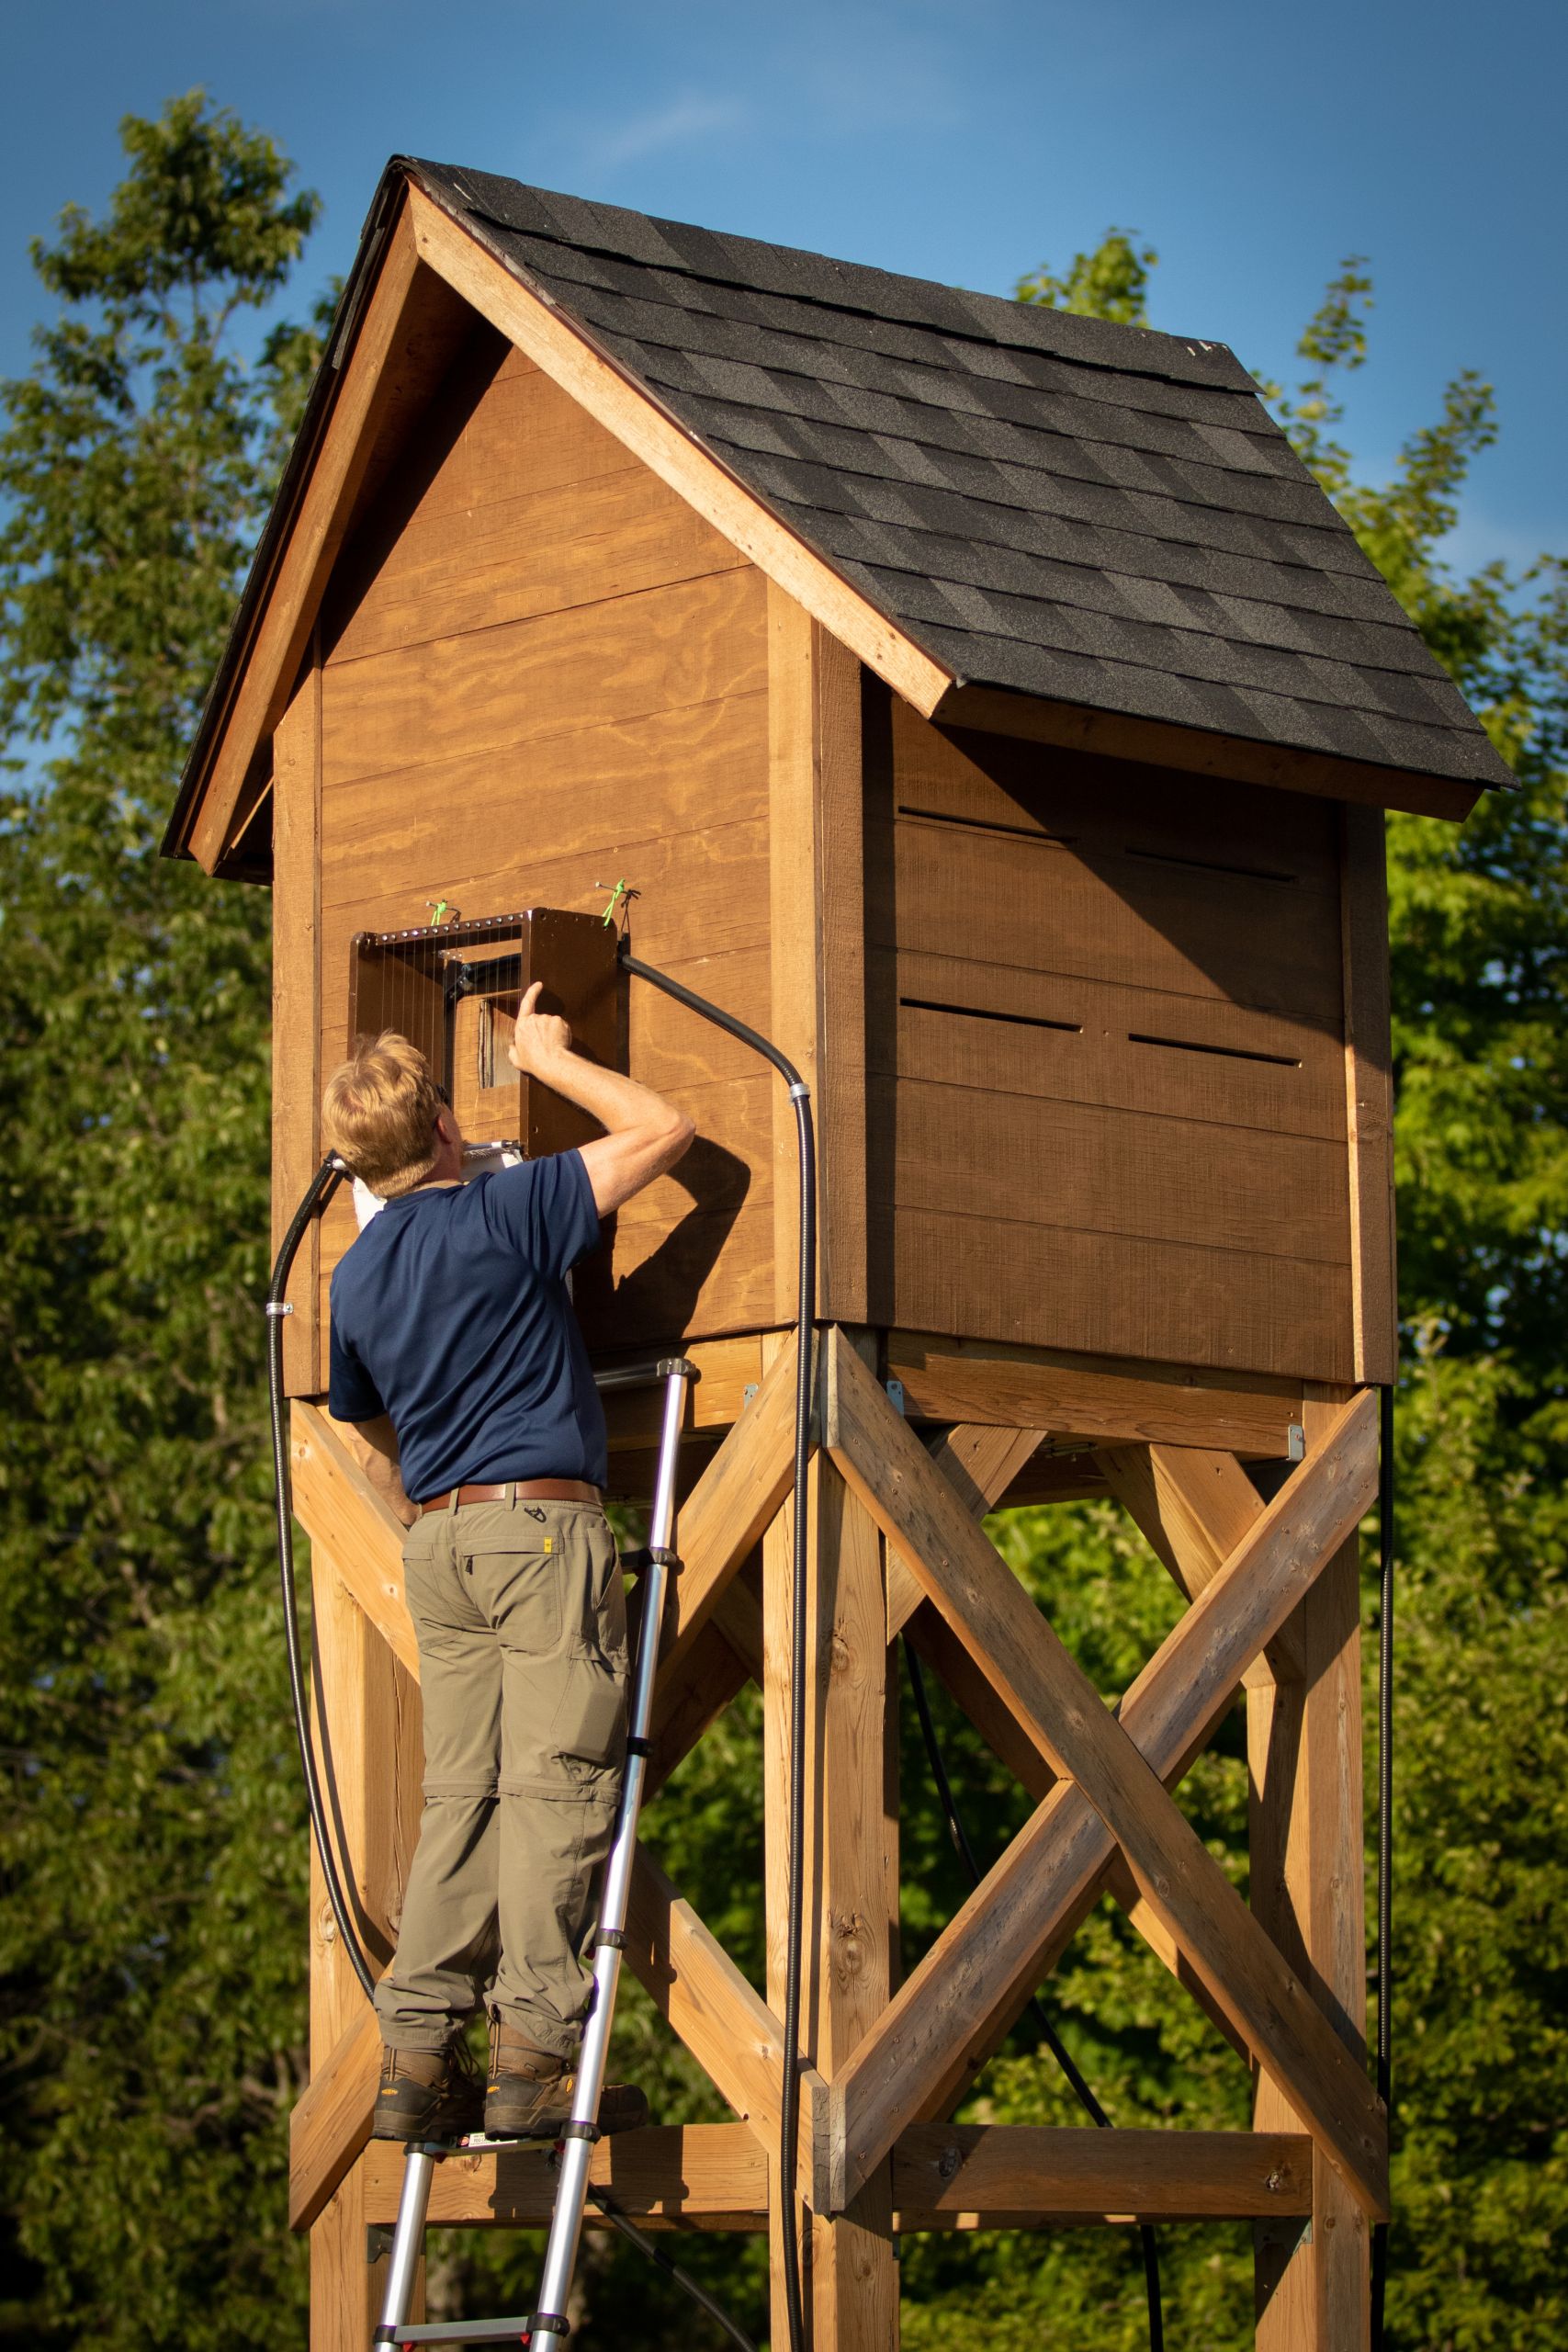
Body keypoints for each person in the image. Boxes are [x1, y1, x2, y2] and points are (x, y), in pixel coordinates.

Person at [320, 982, 694, 2142]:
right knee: (555, 1788)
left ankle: (418, 2058)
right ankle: (531, 2056)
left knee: (459, 1803)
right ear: (442, 1129)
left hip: (440, 1543)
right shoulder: (505, 1212)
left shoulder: (358, 1277)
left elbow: (368, 1434)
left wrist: (430, 1522)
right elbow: (663, 1130)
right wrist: (545, 1056)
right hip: (540, 1531)